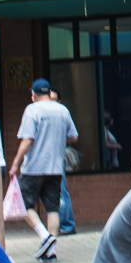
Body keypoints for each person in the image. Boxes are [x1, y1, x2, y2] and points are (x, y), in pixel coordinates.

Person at [6, 78, 77, 262]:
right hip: (55, 168)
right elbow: (73, 136)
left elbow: (28, 139)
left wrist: (15, 164)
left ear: (33, 95)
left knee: (22, 203)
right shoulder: (62, 110)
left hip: (34, 168)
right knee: (52, 208)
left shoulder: (32, 110)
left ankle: (45, 236)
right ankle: (51, 252)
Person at [48, 88, 78, 236]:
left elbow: (74, 136)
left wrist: (60, 139)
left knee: (61, 191)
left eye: (54, 100)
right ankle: (61, 224)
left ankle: (67, 225)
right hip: (48, 158)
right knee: (55, 192)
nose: (51, 103)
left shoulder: (62, 112)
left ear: (59, 101)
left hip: (57, 157)